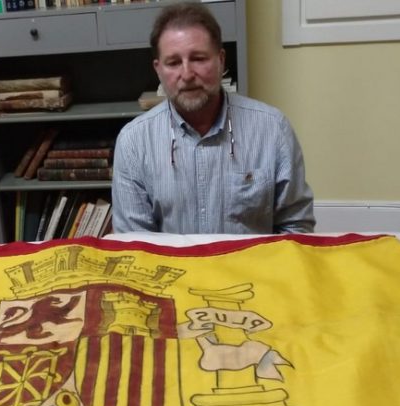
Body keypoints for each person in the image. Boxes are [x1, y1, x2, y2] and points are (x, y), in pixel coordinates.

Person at [111, 3, 314, 234]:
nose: (186, 75)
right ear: (158, 69)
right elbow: (135, 244)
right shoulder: (133, 143)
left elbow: (296, 229)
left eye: (198, 58)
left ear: (221, 60)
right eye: (174, 62)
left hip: (250, 270)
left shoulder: (273, 130)